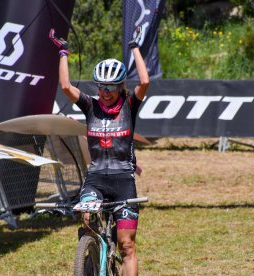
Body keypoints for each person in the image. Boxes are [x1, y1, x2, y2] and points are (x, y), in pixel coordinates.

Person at [50, 26, 149, 276]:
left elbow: (145, 81)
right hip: (95, 179)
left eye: (111, 87)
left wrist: (135, 47)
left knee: (127, 245)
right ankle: (92, 256)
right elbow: (64, 86)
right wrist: (63, 53)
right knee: (86, 222)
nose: (104, 93)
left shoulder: (129, 106)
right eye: (101, 87)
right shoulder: (90, 106)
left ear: (120, 86)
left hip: (123, 181)